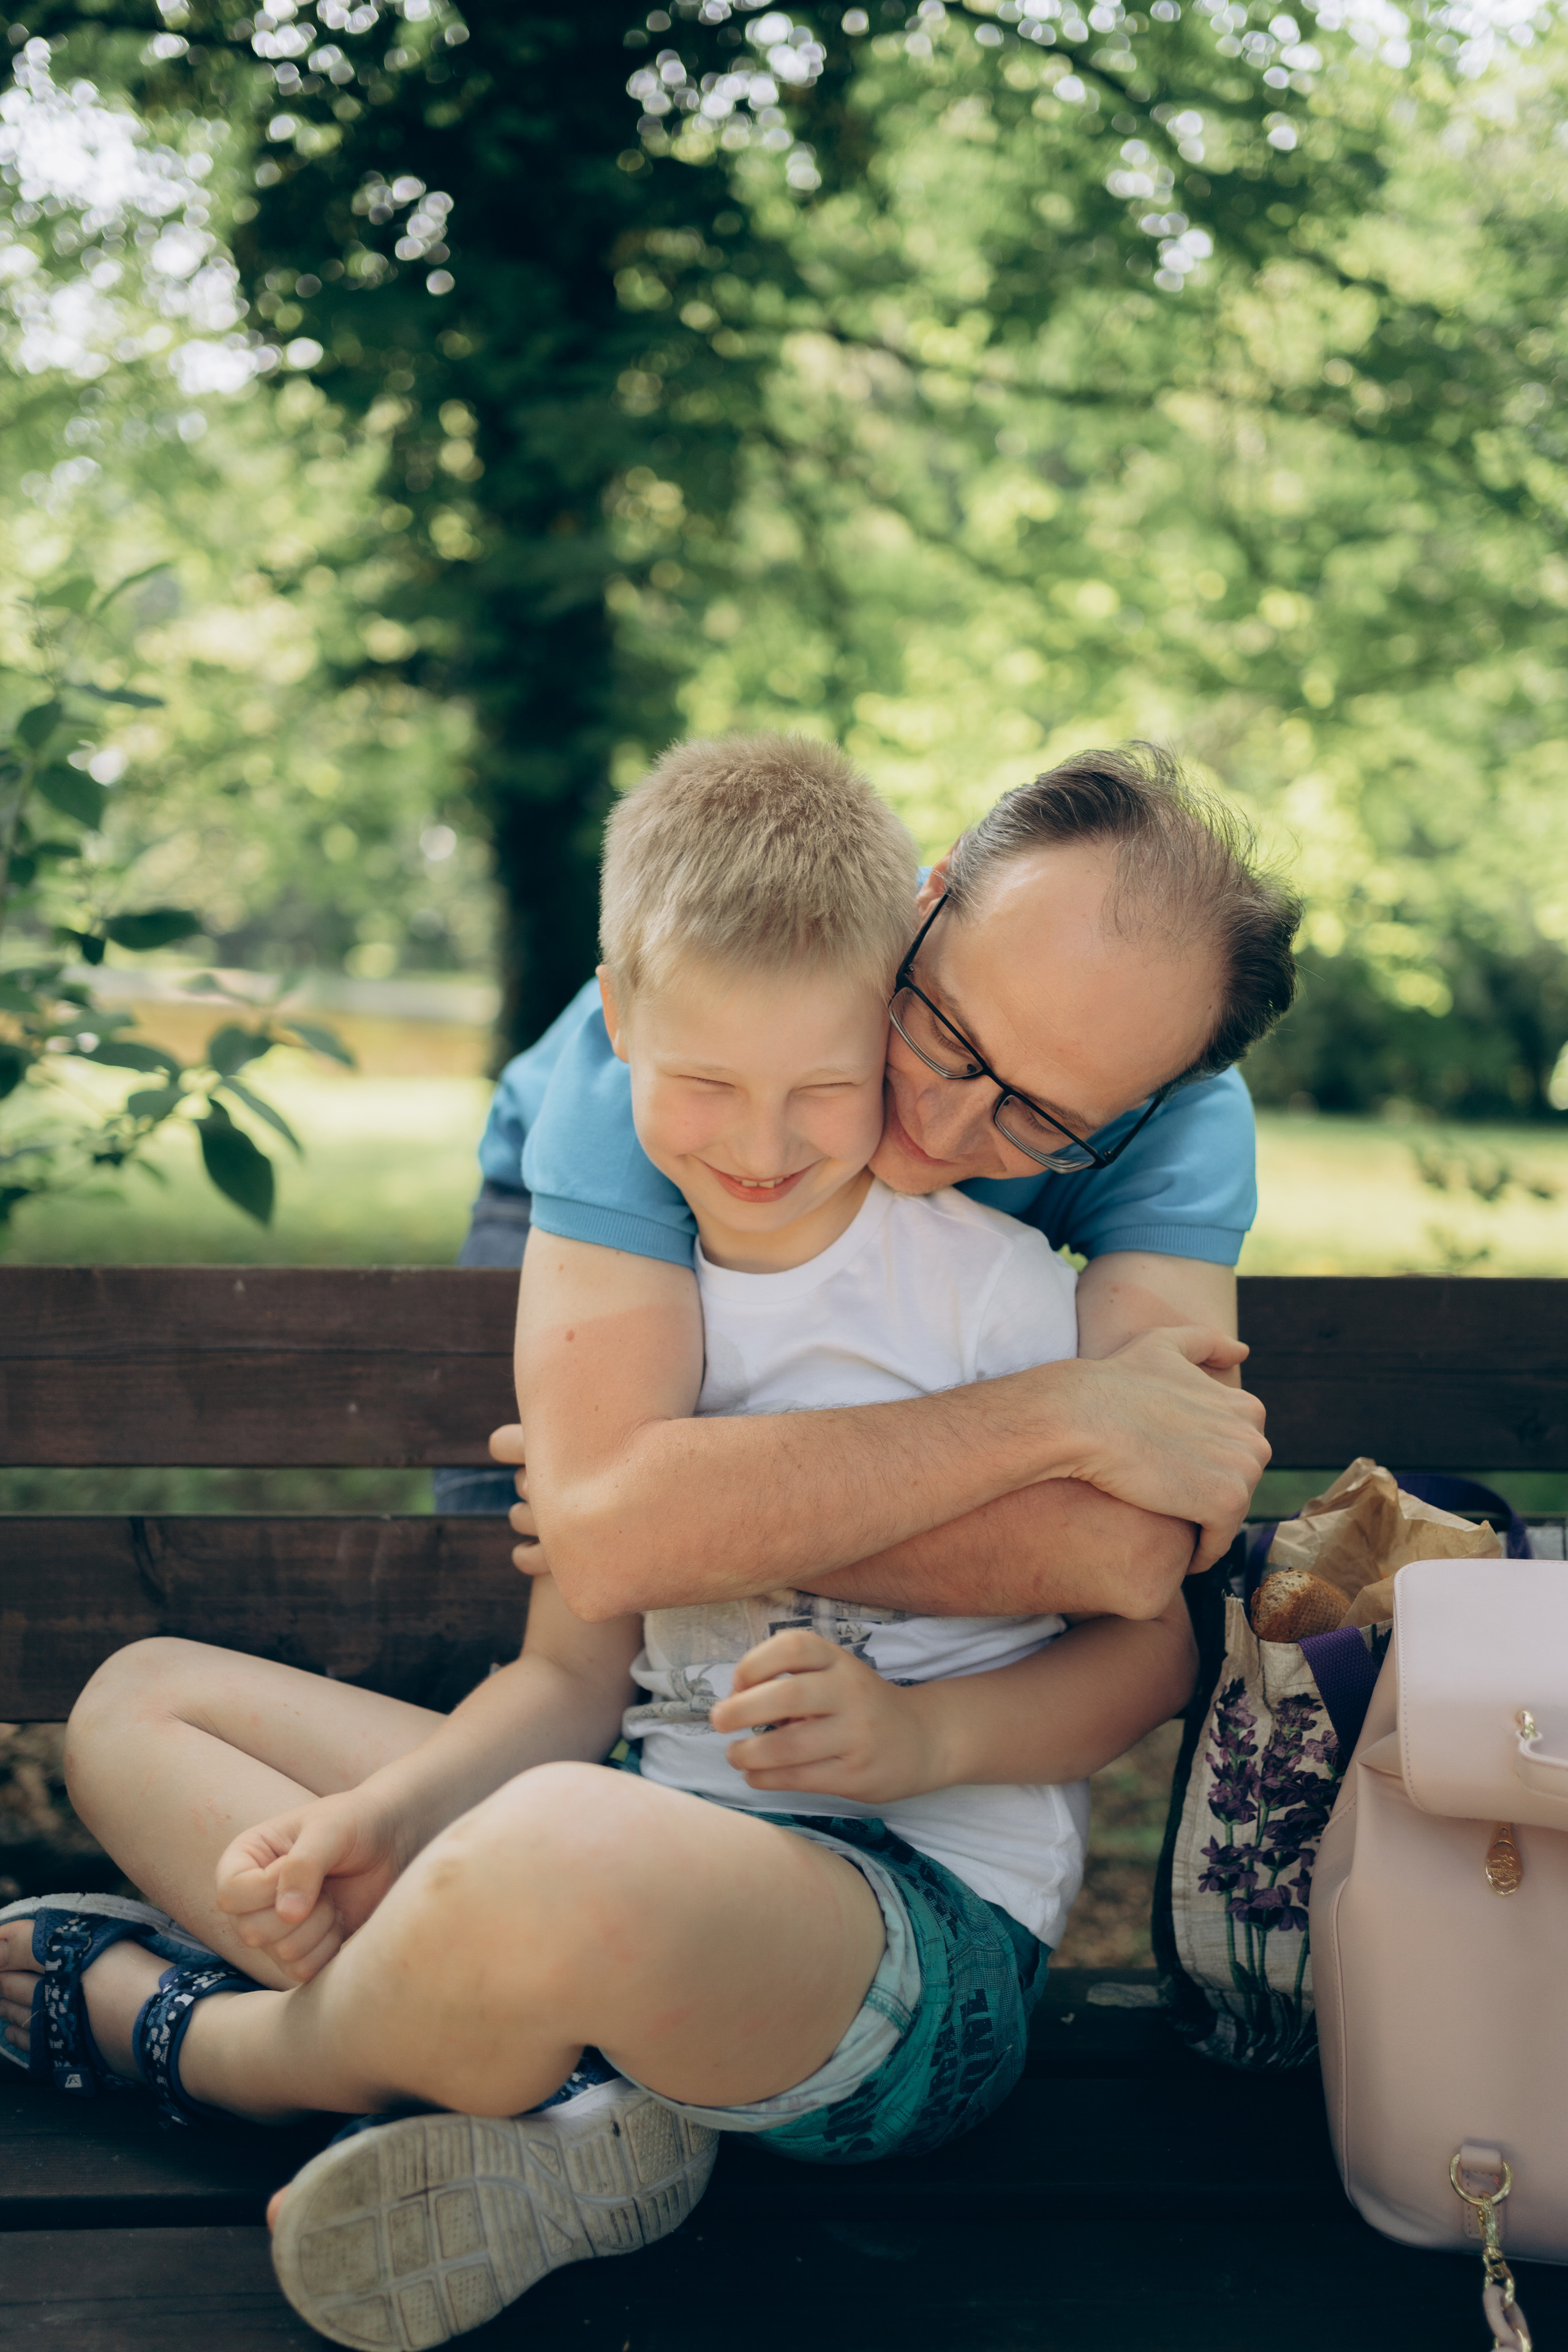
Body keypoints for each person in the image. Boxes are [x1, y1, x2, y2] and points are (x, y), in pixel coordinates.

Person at [1, 741, 1200, 2352]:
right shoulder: (630, 1330)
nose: (762, 1143)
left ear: (886, 1036)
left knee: (560, 1852)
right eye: (703, 1082)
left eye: (821, 1087)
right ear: (614, 1030)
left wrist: (930, 1730)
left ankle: (225, 2049)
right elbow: (570, 1680)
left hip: (907, 1951)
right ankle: (583, 2108)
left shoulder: (988, 1294)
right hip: (615, 1833)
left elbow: (1159, 1641)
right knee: (140, 1701)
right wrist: (383, 1813)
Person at [462, 739, 1293, 1621]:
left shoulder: (1183, 1121)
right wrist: (1066, 1412)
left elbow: (1127, 1548)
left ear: (1150, 1100)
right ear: (926, 904)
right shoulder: (691, 1058)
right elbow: (607, 1542)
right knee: (511, 1662)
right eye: (949, 1033)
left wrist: (686, 1522)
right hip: (596, 1228)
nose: (942, 1126)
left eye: (1045, 1119)